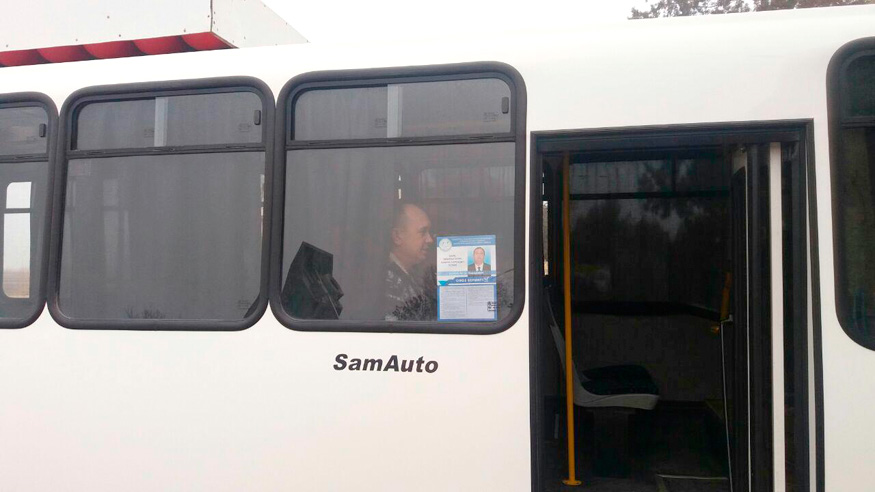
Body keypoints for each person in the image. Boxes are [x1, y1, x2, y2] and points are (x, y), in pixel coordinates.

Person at [384, 203, 436, 321]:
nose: (430, 240)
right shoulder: (389, 282)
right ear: (397, 236)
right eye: (423, 232)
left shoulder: (412, 274)